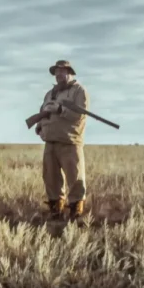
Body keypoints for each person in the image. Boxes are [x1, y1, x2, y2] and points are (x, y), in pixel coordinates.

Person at [34, 60, 89, 220]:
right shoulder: (50, 93)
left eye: (62, 71)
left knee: (75, 177)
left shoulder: (79, 91)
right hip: (50, 141)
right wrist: (39, 125)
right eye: (56, 72)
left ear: (70, 72)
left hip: (70, 141)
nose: (59, 74)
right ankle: (55, 209)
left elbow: (79, 115)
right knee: (50, 177)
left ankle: (75, 210)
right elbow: (43, 110)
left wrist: (59, 109)